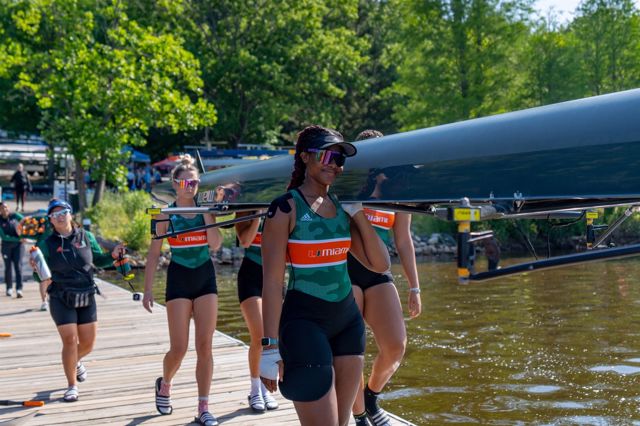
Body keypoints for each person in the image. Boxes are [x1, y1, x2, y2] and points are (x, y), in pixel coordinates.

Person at [260, 125, 390, 426]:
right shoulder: (285, 208)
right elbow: (272, 283)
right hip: (304, 325)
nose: (334, 164)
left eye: (340, 159)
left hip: (348, 325)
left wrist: (358, 212)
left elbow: (380, 264)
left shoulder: (343, 208)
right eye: (327, 155)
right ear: (305, 157)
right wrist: (269, 346)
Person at [143, 154, 222, 426]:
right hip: (178, 278)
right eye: (186, 182)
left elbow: (215, 245)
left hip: (205, 278)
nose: (191, 186)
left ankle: (203, 407)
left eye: (195, 182)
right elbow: (154, 254)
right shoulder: (165, 214)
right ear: (176, 184)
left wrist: (207, 212)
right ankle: (165, 383)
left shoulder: (205, 211)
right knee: (179, 348)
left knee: (205, 345)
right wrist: (147, 290)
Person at [350, 129, 422, 426]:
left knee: (395, 346)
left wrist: (415, 287)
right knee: (353, 350)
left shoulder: (397, 187)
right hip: (346, 269)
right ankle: (358, 415)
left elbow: (403, 240)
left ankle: (370, 397)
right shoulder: (351, 184)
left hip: (379, 271)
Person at [33, 199, 123, 402]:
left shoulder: (86, 236)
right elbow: (39, 276)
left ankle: (75, 361)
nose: (59, 217)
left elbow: (99, 260)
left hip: (86, 294)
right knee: (70, 341)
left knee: (88, 344)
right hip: (60, 296)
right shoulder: (46, 243)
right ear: (50, 220)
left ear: (70, 214)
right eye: (54, 215)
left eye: (63, 212)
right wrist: (36, 268)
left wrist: (113, 255)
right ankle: (72, 385)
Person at [234, 211, 279, 412]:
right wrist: (259, 215)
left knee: (274, 337)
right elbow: (245, 241)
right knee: (260, 336)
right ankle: (254, 389)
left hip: (275, 277)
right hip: (251, 276)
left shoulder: (282, 208)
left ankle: (265, 387)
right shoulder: (246, 208)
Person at [0, 202, 24, 298]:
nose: (4, 209)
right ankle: (9, 288)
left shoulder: (14, 216)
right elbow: (4, 237)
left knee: (18, 266)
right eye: (2, 208)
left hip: (18, 246)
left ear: (8, 208)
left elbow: (26, 221)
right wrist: (19, 239)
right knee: (8, 268)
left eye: (6, 207)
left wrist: (24, 231)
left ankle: (19, 289)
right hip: (6, 246)